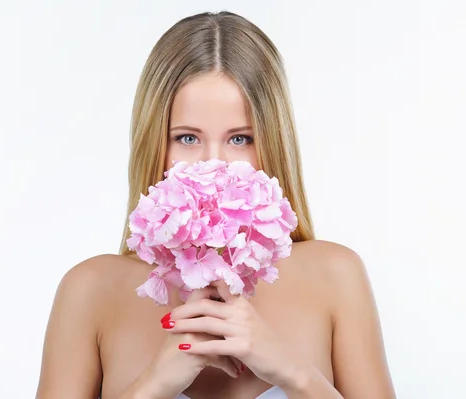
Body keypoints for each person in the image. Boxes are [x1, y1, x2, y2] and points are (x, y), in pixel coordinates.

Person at [35, 10, 396, 399]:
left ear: (272, 143)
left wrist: (293, 373)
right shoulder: (90, 291)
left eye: (240, 139)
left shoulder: (336, 275)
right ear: (152, 142)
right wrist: (154, 385)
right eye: (187, 139)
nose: (214, 163)